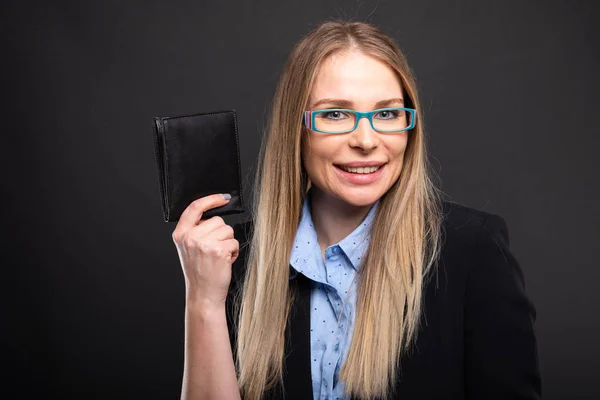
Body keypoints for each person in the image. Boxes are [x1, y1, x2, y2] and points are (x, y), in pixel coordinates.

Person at [172, 21, 541, 400]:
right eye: (334, 115)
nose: (366, 141)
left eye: (386, 114)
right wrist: (204, 300)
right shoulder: (233, 257)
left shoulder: (471, 251)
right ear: (295, 129)